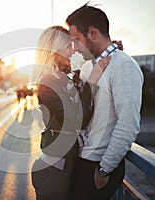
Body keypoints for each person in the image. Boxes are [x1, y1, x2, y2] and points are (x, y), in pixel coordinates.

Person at [66, 3, 144, 200]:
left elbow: (128, 125)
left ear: (92, 33)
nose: (74, 48)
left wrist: (104, 170)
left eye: (76, 40)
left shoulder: (124, 66)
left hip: (98, 166)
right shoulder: (87, 68)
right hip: (82, 160)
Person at [30, 26, 110, 200]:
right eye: (67, 46)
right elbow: (75, 120)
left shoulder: (63, 77)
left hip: (63, 166)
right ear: (54, 49)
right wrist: (91, 83)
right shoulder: (47, 83)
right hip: (53, 170)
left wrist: (108, 49)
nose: (72, 50)